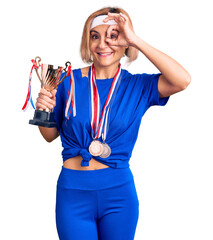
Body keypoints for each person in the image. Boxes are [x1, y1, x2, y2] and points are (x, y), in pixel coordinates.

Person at [36, 6, 191, 240]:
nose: (102, 44)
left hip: (118, 195)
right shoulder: (66, 81)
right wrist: (43, 110)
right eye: (95, 36)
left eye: (113, 36)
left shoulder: (138, 86)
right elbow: (49, 136)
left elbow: (182, 80)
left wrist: (135, 39)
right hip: (73, 193)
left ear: (125, 41)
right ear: (87, 41)